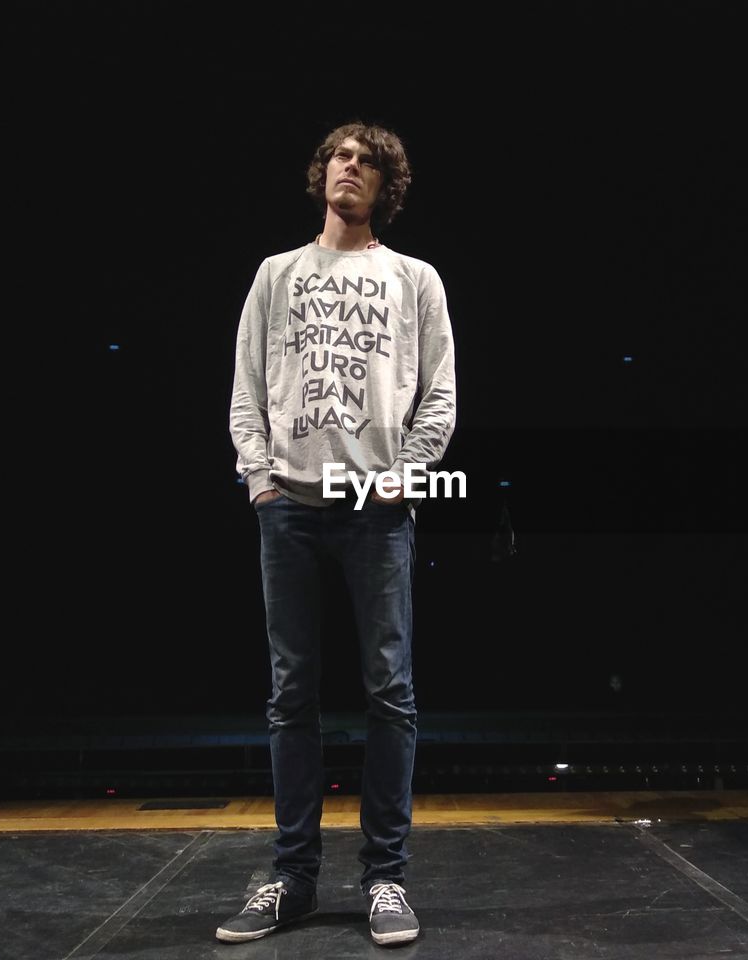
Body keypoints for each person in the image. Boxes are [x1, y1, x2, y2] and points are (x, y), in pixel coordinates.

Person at [219, 121, 457, 946]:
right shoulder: (277, 274)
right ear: (322, 176)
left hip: (375, 508)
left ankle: (385, 878)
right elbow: (248, 387)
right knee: (293, 694)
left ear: (384, 186)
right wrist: (258, 475)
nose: (349, 169)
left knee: (390, 690)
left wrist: (410, 473)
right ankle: (293, 877)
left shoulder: (414, 278)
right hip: (287, 503)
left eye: (367, 163)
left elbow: (439, 393)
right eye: (339, 159)